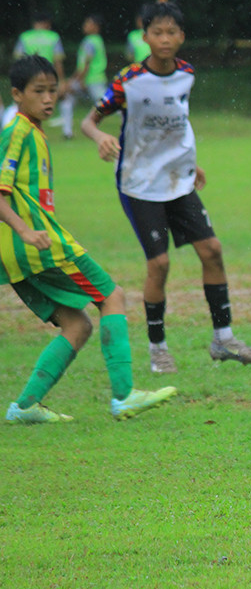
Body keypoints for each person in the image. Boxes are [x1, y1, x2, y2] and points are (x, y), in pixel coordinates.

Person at [81, 0, 251, 374]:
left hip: (178, 180)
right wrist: (99, 136)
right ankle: (158, 348)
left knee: (212, 250)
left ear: (181, 37)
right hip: (140, 184)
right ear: (145, 36)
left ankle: (223, 339)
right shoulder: (128, 81)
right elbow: (89, 120)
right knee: (160, 264)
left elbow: (175, 121)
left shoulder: (186, 74)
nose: (164, 39)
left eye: (171, 32)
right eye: (157, 32)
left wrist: (188, 162)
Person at [1, 56, 177, 423]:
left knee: (76, 326)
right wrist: (25, 230)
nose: (49, 98)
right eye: (39, 92)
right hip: (38, 245)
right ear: (17, 94)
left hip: (21, 252)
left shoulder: (32, 130)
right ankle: (124, 395)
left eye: (53, 90)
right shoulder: (16, 132)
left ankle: (25, 407)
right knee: (112, 295)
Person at [4, 11, 66, 129]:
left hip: (27, 76)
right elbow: (58, 61)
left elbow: (17, 58)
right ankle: (67, 131)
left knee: (20, 106)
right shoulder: (53, 37)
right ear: (47, 23)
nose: (48, 99)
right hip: (48, 75)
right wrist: (62, 81)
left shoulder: (25, 36)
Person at [59, 14, 108, 140]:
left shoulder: (90, 41)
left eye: (88, 23)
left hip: (92, 79)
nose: (85, 26)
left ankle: (68, 130)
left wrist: (78, 80)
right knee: (68, 97)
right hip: (94, 78)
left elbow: (86, 64)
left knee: (109, 104)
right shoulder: (97, 40)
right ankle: (67, 131)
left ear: (96, 26)